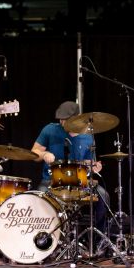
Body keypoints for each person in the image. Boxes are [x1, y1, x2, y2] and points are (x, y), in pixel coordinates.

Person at [31, 101, 109, 240]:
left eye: (65, 119)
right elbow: (34, 152)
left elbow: (86, 164)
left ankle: (98, 242)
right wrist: (44, 154)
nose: (62, 122)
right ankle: (43, 241)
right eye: (60, 119)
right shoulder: (49, 129)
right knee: (40, 197)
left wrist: (94, 166)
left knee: (104, 196)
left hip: (79, 184)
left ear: (76, 118)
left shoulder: (88, 136)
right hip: (51, 181)